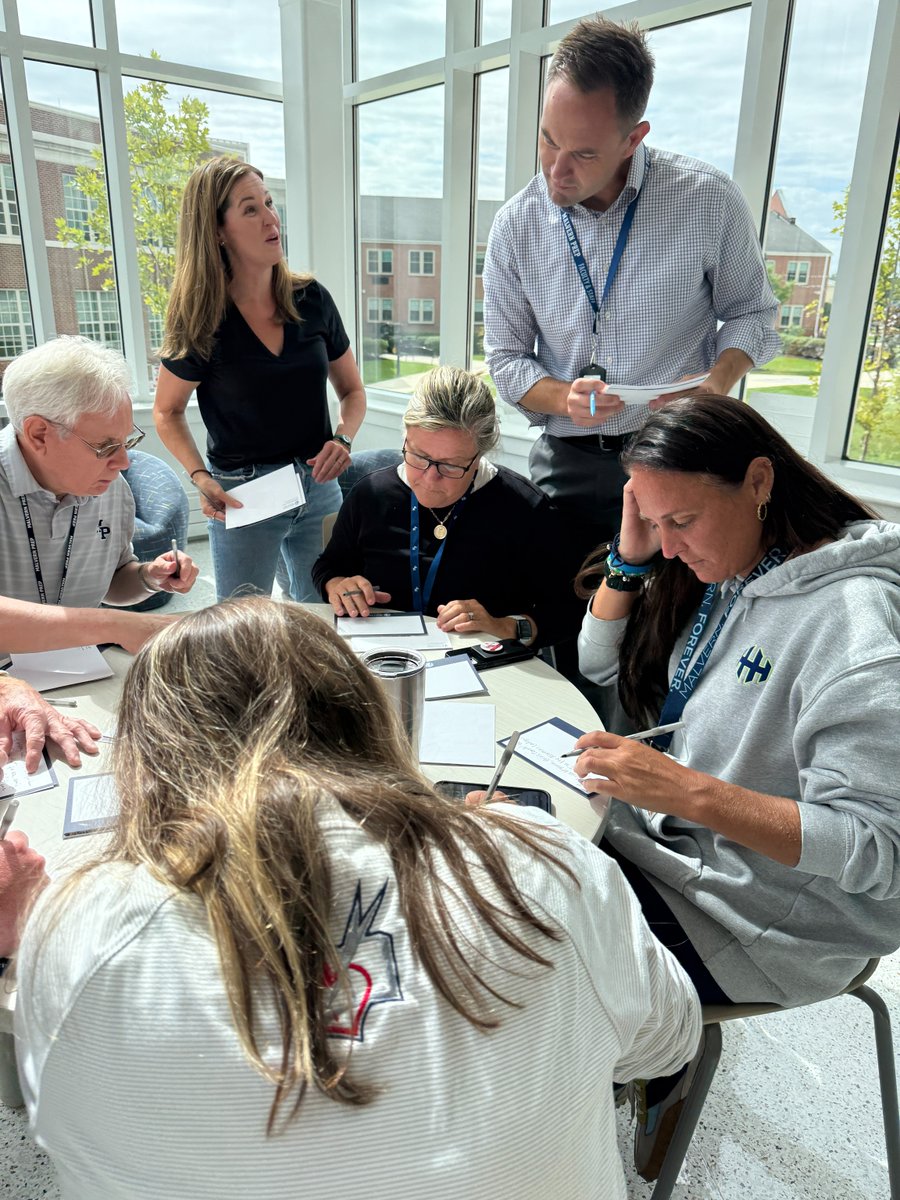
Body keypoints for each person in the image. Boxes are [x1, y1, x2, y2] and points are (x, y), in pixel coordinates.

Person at [15, 596, 700, 1199]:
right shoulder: (543, 862)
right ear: (363, 713)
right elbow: (666, 1043)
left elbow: (54, 1118)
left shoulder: (75, 921)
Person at [571, 394, 900, 1180]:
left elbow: (879, 853)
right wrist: (633, 551)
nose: (670, 545)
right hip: (691, 858)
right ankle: (632, 1062)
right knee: (519, 877)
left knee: (538, 947)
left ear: (758, 480)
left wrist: (689, 794)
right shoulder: (739, 570)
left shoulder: (854, 622)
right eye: (653, 522)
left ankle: (611, 1080)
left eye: (679, 521)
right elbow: (596, 665)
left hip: (777, 922)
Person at [482, 16, 780, 553]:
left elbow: (752, 314)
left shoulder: (708, 200)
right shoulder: (515, 224)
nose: (556, 170)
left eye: (585, 153)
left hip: (677, 458)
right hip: (565, 464)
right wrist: (562, 397)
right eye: (548, 140)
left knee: (670, 623)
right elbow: (505, 359)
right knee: (563, 616)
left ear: (633, 139)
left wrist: (715, 382)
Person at [155, 155, 367, 603]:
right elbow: (167, 411)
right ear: (216, 229)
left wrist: (344, 439)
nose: (272, 218)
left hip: (319, 483)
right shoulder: (200, 317)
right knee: (241, 625)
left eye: (269, 203)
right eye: (250, 208)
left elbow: (352, 392)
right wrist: (199, 476)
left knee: (327, 617)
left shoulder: (311, 298)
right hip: (243, 494)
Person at [312, 366, 584, 648]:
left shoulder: (526, 509)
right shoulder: (371, 494)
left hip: (486, 668)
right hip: (381, 655)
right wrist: (337, 584)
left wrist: (503, 625)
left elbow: (568, 612)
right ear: (406, 437)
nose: (430, 478)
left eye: (451, 465)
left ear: (479, 455)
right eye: (419, 456)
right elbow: (329, 566)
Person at [0, 336, 199, 609]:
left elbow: (113, 583)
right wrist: (108, 627)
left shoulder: (112, 488)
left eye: (126, 442)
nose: (123, 463)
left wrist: (149, 577)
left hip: (80, 649)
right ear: (38, 434)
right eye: (105, 447)